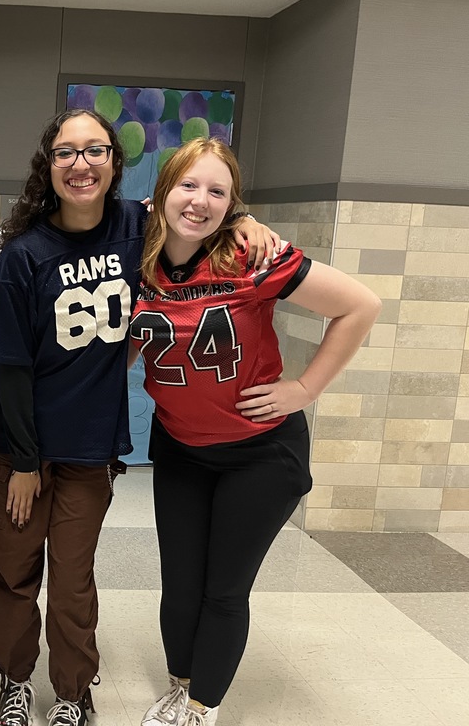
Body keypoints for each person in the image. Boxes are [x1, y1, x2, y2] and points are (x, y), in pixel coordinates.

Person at [0, 110, 277, 726]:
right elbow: (10, 367)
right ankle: (13, 680)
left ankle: (71, 692)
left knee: (71, 580)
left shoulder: (135, 228)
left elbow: (196, 210)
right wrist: (27, 463)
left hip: (91, 449)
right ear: (49, 164)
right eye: (66, 151)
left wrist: (245, 218)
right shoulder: (23, 253)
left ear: (115, 162)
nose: (81, 163)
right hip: (21, 453)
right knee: (13, 574)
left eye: (95, 150)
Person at [129, 138, 380, 726]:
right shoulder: (134, 247)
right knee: (180, 585)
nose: (200, 200)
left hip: (259, 455)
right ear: (163, 190)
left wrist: (305, 389)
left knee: (223, 589)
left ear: (233, 203)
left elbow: (359, 306)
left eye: (218, 191)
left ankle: (202, 706)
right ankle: (181, 683)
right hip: (181, 448)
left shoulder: (252, 257)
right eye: (189, 185)